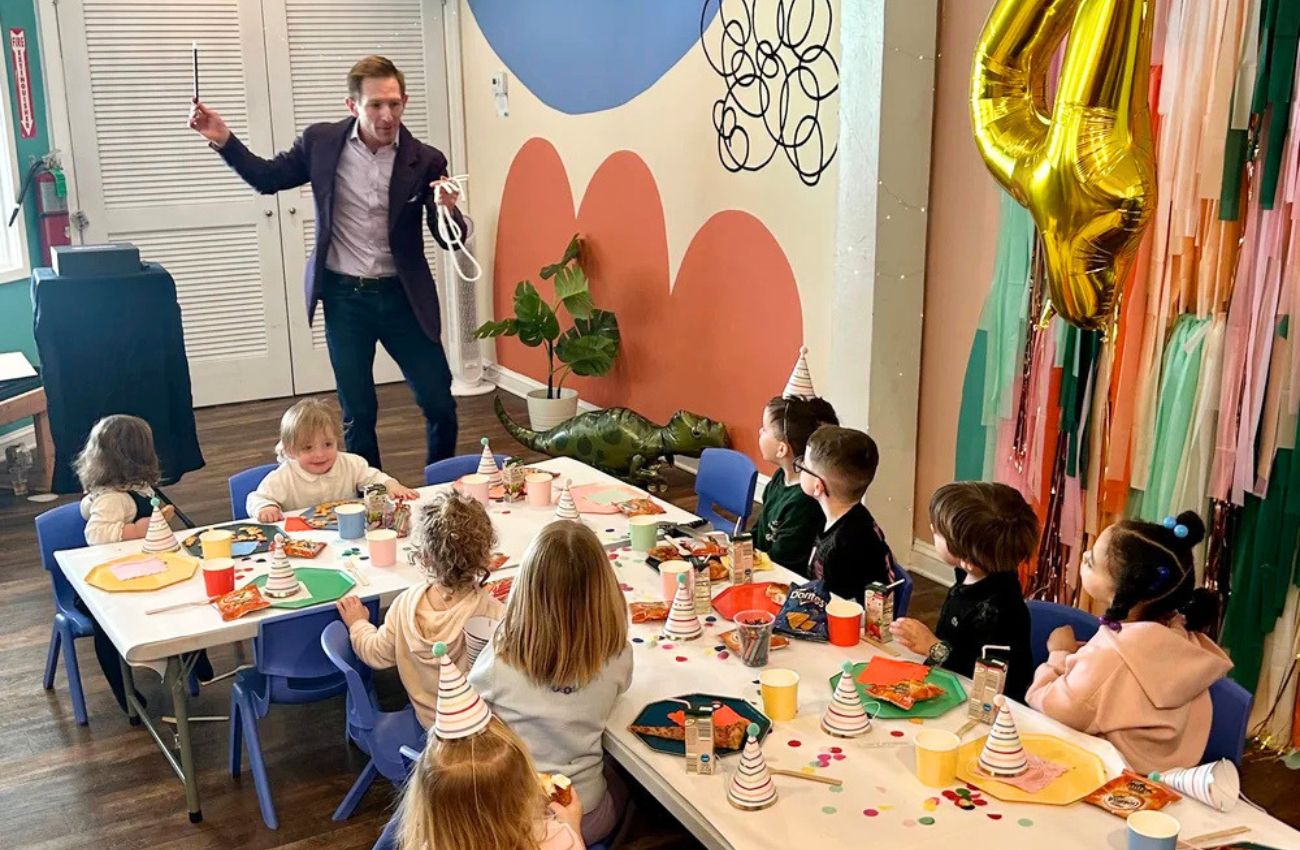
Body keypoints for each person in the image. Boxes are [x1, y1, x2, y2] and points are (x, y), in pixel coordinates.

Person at [189, 55, 466, 468]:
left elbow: (450, 240)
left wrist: (448, 209)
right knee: (358, 413)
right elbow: (268, 178)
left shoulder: (425, 159)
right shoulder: (321, 143)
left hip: (403, 297)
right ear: (352, 105)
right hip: (345, 297)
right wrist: (223, 138)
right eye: (375, 105)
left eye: (394, 103)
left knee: (439, 401)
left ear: (404, 101)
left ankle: (443, 486)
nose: (387, 115)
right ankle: (371, 496)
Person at [1025, 511, 1231, 773]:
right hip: (1170, 779)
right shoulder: (1181, 637)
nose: (1084, 557)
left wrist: (1059, 654)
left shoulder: (1108, 659)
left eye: (1091, 562)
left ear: (1123, 589)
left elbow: (1052, 706)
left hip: (1113, 779)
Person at [470, 521, 633, 844]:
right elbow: (620, 691)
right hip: (582, 814)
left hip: (512, 816)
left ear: (525, 590)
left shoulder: (498, 659)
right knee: (628, 783)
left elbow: (469, 712)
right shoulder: (618, 655)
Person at [73, 415, 211, 710]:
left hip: (148, 570)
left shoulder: (137, 488)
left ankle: (195, 654)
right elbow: (96, 535)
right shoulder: (112, 499)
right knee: (108, 631)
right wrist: (139, 528)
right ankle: (125, 692)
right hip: (113, 584)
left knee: (189, 595)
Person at [337, 492, 504, 729]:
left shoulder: (406, 604)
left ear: (424, 557)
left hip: (430, 726)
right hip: (481, 729)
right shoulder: (495, 615)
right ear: (487, 556)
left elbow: (376, 654)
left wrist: (357, 624)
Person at [890, 482, 1039, 700]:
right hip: (950, 682)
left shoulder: (1000, 611)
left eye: (938, 533)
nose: (932, 530)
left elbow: (988, 678)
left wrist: (934, 647)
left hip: (988, 707)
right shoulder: (972, 574)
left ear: (968, 560)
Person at [246, 397, 418, 522]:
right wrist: (266, 508)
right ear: (291, 450)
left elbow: (373, 478)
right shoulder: (283, 477)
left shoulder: (351, 464)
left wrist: (391, 485)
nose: (320, 455)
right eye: (308, 448)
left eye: (328, 444)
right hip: (303, 538)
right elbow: (256, 498)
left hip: (346, 536)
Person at [795, 425, 896, 603]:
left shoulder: (845, 545)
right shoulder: (845, 517)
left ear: (818, 486)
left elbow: (840, 611)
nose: (800, 465)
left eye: (804, 465)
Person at [753, 396, 839, 569]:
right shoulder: (779, 479)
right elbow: (760, 532)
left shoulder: (803, 501)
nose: (760, 432)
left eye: (765, 429)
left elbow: (782, 564)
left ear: (782, 449)